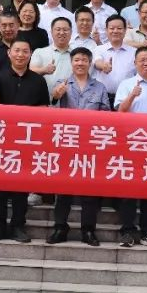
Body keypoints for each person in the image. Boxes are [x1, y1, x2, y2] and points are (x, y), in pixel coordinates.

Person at [0, 39, 50, 243]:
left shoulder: (38, 81)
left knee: (21, 186)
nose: (20, 55)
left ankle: (18, 226)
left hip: (26, 141)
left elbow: (45, 109)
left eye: (25, 51)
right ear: (9, 53)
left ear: (30, 54)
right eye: (17, 51)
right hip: (1, 140)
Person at [47, 47, 110, 246]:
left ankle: (88, 230)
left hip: (91, 145)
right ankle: (60, 227)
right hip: (67, 142)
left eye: (84, 59)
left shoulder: (99, 87)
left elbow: (107, 115)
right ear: (71, 62)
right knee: (63, 189)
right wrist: (56, 96)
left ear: (90, 63)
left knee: (89, 190)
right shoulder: (62, 83)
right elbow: (51, 108)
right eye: (76, 60)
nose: (80, 63)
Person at [114, 48, 147, 248]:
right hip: (130, 143)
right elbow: (120, 112)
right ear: (135, 63)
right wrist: (132, 96)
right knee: (128, 190)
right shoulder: (127, 84)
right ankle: (127, 231)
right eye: (142, 60)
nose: (146, 63)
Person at [94, 15, 136, 108]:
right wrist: (103, 66)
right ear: (106, 30)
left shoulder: (134, 52)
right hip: (102, 98)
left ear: (125, 30)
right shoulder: (99, 49)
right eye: (112, 28)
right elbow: (97, 62)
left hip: (126, 98)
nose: (115, 31)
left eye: (119, 28)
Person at [30, 17, 73, 101]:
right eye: (58, 29)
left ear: (71, 32)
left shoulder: (76, 55)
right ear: (52, 32)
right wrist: (44, 70)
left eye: (65, 30)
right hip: (44, 102)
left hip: (70, 102)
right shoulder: (40, 52)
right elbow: (30, 72)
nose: (62, 33)